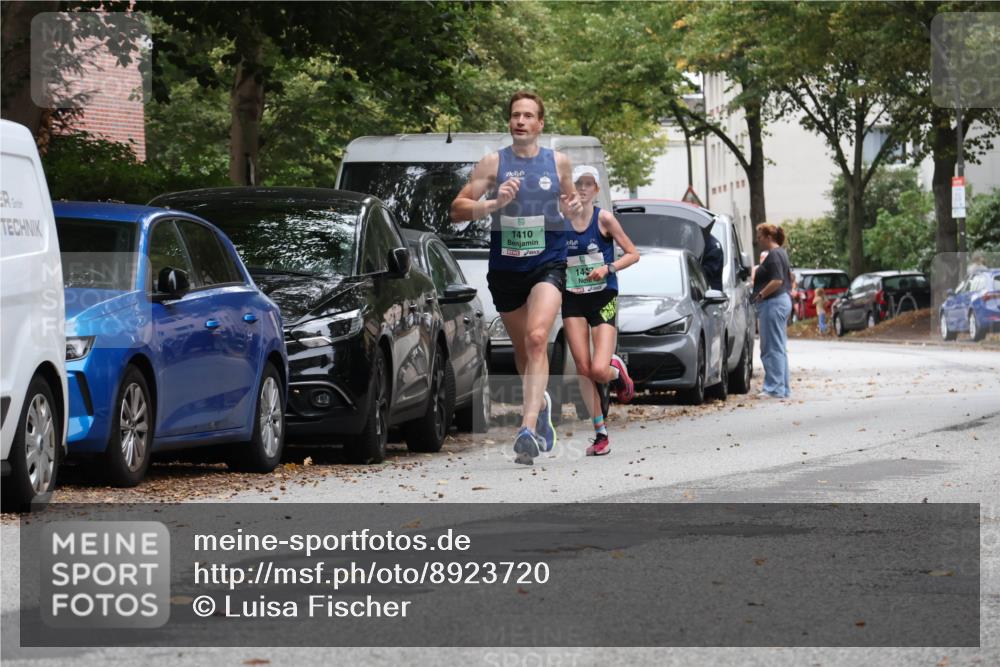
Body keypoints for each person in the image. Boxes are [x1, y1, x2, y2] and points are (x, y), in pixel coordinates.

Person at [450, 91, 582, 465]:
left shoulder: (559, 163)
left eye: (528, 115)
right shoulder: (494, 163)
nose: (520, 121)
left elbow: (571, 211)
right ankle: (539, 405)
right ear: (509, 122)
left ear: (540, 123)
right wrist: (494, 203)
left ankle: (526, 428)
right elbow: (457, 210)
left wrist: (573, 207)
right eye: (515, 115)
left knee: (539, 338)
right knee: (524, 351)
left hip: (549, 263)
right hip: (507, 268)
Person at [561, 165, 640, 457]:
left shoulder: (604, 219)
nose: (582, 188)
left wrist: (608, 268)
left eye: (588, 184)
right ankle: (600, 433)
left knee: (597, 368)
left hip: (603, 296)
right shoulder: (562, 221)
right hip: (572, 298)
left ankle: (616, 370)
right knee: (583, 369)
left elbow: (633, 253)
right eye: (577, 183)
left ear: (596, 189)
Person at [752, 223, 793, 398]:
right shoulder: (780, 253)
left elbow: (777, 280)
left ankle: (774, 388)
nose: (757, 240)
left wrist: (760, 294)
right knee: (779, 346)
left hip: (773, 303)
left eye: (760, 237)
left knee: (771, 347)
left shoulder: (774, 255)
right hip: (781, 301)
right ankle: (783, 388)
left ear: (769, 237)